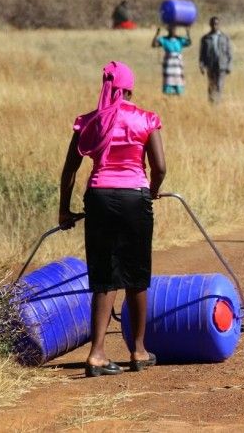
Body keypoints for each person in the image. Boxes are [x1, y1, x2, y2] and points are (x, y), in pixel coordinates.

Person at [58, 61, 166, 377]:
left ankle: (96, 354)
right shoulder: (146, 119)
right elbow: (159, 167)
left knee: (104, 277)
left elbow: (69, 171)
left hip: (99, 199)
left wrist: (64, 210)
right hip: (135, 198)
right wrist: (153, 191)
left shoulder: (90, 122)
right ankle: (139, 351)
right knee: (136, 275)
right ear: (130, 88)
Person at [198, 16, 233, 104]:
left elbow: (229, 53)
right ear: (210, 25)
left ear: (219, 24)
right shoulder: (205, 38)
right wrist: (201, 65)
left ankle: (217, 104)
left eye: (216, 24)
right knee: (211, 85)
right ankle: (211, 103)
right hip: (210, 65)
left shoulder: (225, 37)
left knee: (219, 85)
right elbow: (202, 54)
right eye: (213, 24)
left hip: (222, 65)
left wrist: (229, 66)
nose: (214, 26)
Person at [151, 25, 192, 95]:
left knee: (178, 84)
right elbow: (154, 44)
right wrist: (157, 34)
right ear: (168, 30)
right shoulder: (164, 39)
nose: (173, 31)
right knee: (168, 83)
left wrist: (188, 33)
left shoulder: (180, 39)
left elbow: (189, 43)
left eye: (174, 29)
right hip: (168, 65)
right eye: (171, 29)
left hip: (177, 66)